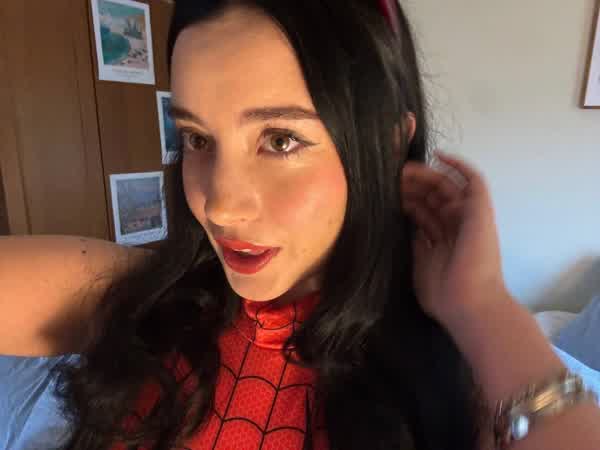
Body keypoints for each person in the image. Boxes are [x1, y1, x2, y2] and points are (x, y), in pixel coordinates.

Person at [1, 1, 599, 449]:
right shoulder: (138, 298)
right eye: (197, 138)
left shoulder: (471, 377)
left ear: (388, 145)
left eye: (281, 140)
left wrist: (483, 308)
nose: (221, 206)